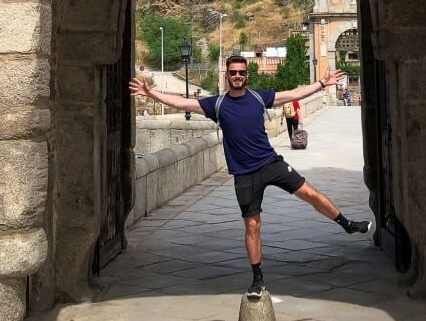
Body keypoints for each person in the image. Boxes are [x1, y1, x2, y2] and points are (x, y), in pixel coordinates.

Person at [129, 55, 372, 299]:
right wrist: (151, 94)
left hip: (270, 163)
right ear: (227, 75)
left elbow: (292, 94)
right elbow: (181, 103)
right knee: (252, 226)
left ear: (247, 75)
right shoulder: (217, 104)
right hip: (244, 174)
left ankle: (346, 224)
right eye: (233, 72)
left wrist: (322, 83)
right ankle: (257, 279)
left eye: (241, 73)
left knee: (310, 193)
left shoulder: (258, 97)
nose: (237, 76)